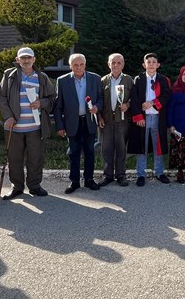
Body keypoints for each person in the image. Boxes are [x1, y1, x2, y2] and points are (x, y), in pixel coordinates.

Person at [0, 46, 57, 200]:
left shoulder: (42, 77)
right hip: (14, 127)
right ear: (17, 60)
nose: (26, 60)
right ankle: (17, 187)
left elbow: (52, 98)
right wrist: (8, 117)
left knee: (35, 158)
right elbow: (1, 98)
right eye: (23, 58)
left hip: (35, 127)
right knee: (14, 158)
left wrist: (41, 103)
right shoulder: (9, 75)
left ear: (34, 59)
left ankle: (34, 186)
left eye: (29, 57)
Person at [53, 53, 102, 194]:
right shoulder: (62, 81)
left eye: (81, 64)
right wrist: (60, 125)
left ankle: (89, 179)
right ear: (70, 66)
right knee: (73, 152)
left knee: (89, 151)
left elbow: (101, 98)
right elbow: (58, 106)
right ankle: (74, 181)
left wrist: (97, 107)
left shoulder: (95, 78)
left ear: (85, 65)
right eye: (75, 65)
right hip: (72, 122)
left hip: (89, 121)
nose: (79, 67)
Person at [129, 52, 172, 187]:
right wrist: (138, 117)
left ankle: (159, 172)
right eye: (149, 62)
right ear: (144, 65)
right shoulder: (139, 79)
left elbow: (166, 96)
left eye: (154, 62)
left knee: (158, 146)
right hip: (144, 118)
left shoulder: (163, 80)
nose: (151, 64)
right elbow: (134, 99)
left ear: (158, 65)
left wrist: (152, 102)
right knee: (142, 146)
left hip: (158, 118)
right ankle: (141, 174)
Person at [99, 53, 133, 186]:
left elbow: (134, 98)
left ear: (123, 65)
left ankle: (121, 175)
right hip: (107, 120)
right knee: (106, 148)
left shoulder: (129, 80)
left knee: (121, 148)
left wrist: (127, 105)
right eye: (113, 62)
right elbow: (99, 100)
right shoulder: (103, 81)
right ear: (108, 64)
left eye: (119, 63)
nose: (116, 65)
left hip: (122, 120)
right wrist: (99, 117)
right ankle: (107, 175)